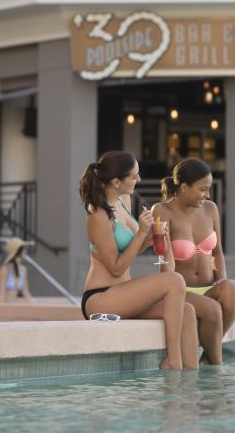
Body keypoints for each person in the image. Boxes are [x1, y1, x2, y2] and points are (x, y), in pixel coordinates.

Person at [80, 151, 198, 371]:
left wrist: (152, 237)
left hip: (124, 294)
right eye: (134, 176)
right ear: (116, 182)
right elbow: (115, 267)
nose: (139, 180)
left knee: (188, 311)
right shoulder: (97, 215)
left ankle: (189, 386)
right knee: (174, 281)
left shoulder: (123, 202)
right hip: (101, 297)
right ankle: (173, 360)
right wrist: (142, 232)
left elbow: (136, 246)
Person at [153, 158, 235, 365]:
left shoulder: (211, 209)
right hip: (182, 291)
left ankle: (209, 354)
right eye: (203, 189)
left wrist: (222, 281)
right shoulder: (161, 211)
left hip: (208, 288)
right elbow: (165, 262)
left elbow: (217, 252)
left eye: (208, 189)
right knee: (212, 309)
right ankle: (215, 364)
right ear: (184, 187)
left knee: (232, 289)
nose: (207, 195)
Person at [0, 236, 33, 302]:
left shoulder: (23, 270)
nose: (26, 251)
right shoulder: (5, 269)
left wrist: (33, 302)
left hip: (15, 306)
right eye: (23, 249)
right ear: (18, 251)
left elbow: (26, 292)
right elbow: (1, 294)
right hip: (5, 306)